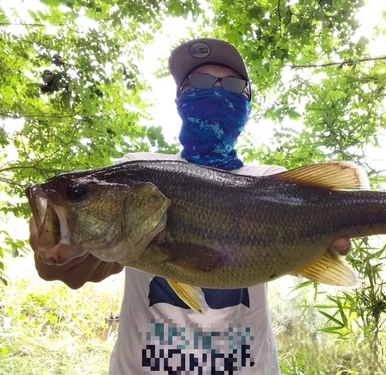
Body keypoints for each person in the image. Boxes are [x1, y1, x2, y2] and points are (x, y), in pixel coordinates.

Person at [30, 38, 352, 374]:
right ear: (179, 98)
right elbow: (62, 270)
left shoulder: (272, 183)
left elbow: (326, 244)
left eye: (231, 85)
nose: (215, 92)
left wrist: (334, 240)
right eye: (198, 82)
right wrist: (58, 240)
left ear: (248, 103)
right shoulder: (139, 175)